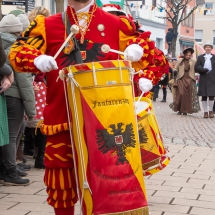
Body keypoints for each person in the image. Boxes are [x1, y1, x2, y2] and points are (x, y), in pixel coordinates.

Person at [9, 0, 153, 214]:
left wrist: (138, 51)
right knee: (60, 185)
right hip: (62, 116)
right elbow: (17, 53)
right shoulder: (47, 24)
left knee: (107, 183)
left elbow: (151, 58)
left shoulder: (116, 23)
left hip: (105, 120)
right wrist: (36, 59)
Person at [0, 14, 35, 186]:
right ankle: (11, 171)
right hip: (14, 96)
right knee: (11, 136)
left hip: (3, 94)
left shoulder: (2, 45)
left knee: (4, 134)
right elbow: (24, 82)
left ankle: (5, 168)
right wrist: (32, 112)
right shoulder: (16, 48)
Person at [170, 47, 200, 115]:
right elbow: (176, 68)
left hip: (190, 79)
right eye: (187, 55)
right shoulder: (180, 60)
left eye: (189, 55)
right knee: (181, 94)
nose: (188, 56)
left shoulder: (193, 61)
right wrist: (175, 72)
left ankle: (185, 110)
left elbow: (196, 69)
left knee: (187, 95)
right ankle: (179, 109)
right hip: (181, 78)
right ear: (184, 54)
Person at [195, 41, 215, 118]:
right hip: (203, 77)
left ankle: (210, 111)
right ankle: (205, 112)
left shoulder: (214, 57)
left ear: (211, 48)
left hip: (212, 78)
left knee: (211, 95)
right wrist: (202, 69)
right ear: (204, 48)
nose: (208, 48)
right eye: (206, 47)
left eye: (209, 47)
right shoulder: (200, 57)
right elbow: (196, 67)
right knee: (204, 95)